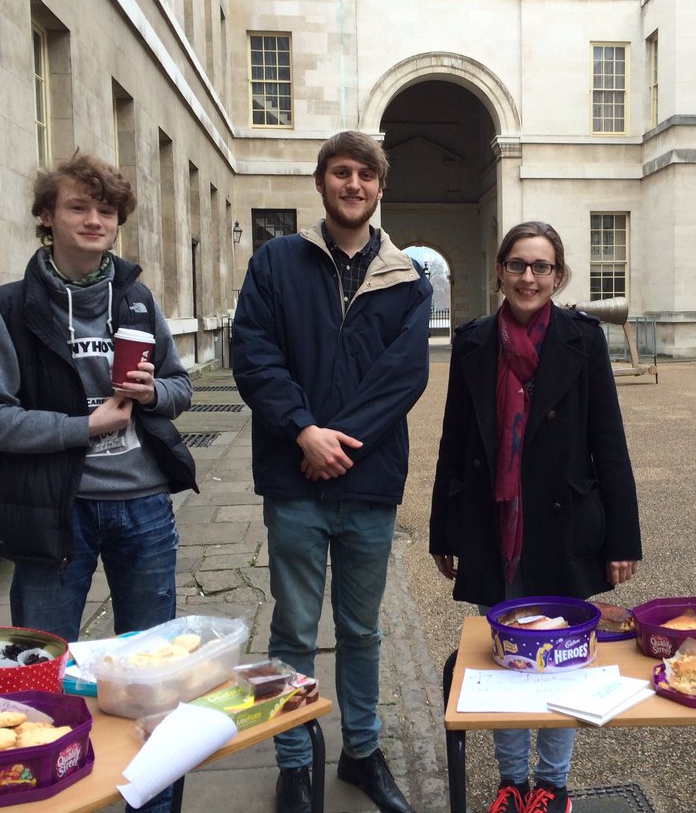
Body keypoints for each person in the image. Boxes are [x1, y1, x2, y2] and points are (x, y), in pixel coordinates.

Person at [0, 153, 196, 813]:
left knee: (151, 679)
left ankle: (152, 804)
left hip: (144, 507)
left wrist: (155, 394)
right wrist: (80, 427)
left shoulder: (137, 298)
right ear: (47, 216)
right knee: (43, 679)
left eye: (106, 211)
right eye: (77, 207)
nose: (94, 220)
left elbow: (179, 387)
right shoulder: (7, 310)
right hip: (52, 512)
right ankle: (52, 798)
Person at [232, 130, 431, 813]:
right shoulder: (277, 262)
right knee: (291, 628)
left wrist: (341, 442)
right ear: (322, 183)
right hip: (295, 482)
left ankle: (362, 754)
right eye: (341, 173)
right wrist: (303, 432)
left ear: (380, 188)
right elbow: (254, 354)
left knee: (362, 630)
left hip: (369, 484)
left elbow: (403, 375)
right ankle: (294, 760)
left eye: (366, 175)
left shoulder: (407, 276)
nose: (354, 185)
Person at [430, 221, 642, 813]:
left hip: (563, 522)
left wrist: (622, 537)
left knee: (563, 659)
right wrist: (443, 531)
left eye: (541, 266)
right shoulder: (473, 340)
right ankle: (511, 782)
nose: (529, 277)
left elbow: (610, 440)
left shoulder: (583, 338)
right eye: (518, 265)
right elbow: (453, 440)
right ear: (500, 270)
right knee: (504, 653)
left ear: (558, 274)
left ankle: (552, 784)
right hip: (492, 523)